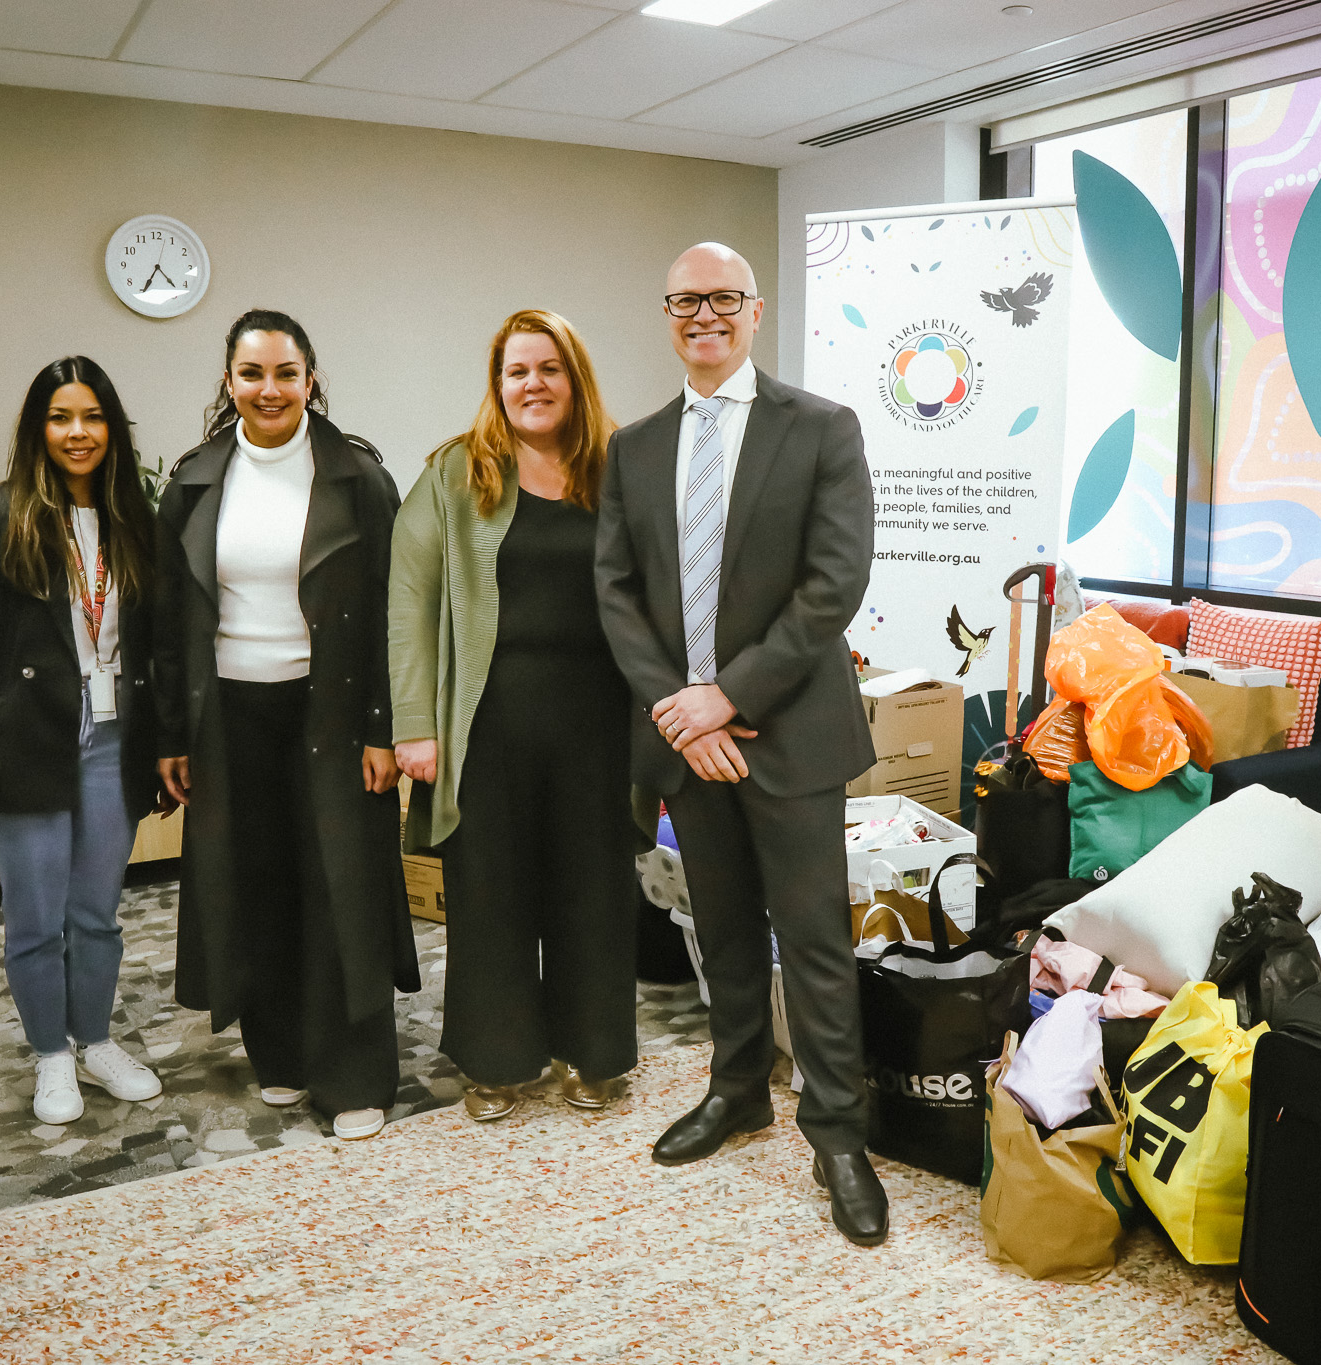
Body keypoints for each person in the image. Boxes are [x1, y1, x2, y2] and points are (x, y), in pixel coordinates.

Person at [595, 243, 885, 1246]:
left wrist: (728, 696)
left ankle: (837, 1133)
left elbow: (831, 584)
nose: (702, 315)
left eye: (722, 298)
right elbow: (616, 593)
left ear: (754, 311)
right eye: (684, 301)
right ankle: (735, 1091)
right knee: (716, 931)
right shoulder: (632, 448)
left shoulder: (821, 429)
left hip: (788, 732)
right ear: (667, 315)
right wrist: (680, 708)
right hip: (689, 740)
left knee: (811, 941)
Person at [152, 308, 419, 1142]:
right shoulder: (196, 479)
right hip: (231, 716)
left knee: (341, 890)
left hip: (334, 714)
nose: (269, 390)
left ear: (310, 379)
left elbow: (393, 612)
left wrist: (386, 727)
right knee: (254, 883)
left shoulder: (358, 479)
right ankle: (281, 1055)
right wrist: (172, 734)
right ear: (228, 381)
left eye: (285, 373)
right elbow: (169, 619)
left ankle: (354, 1073)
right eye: (252, 373)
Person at [390, 309, 637, 1121]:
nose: (533, 384)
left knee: (593, 893)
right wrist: (413, 724)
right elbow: (411, 599)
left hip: (598, 725)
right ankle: (497, 1062)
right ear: (497, 385)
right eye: (516, 371)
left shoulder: (620, 469)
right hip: (485, 723)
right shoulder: (457, 473)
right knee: (490, 895)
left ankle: (592, 1055)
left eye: (549, 368)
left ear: (575, 379)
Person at [0, 356, 168, 1125]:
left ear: (112, 429)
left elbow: (157, 641)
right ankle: (51, 1056)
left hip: (112, 740)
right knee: (35, 915)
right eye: (62, 417)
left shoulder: (135, 517)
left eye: (93, 417)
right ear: (40, 428)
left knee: (96, 911)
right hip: (27, 740)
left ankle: (95, 1041)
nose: (78, 432)